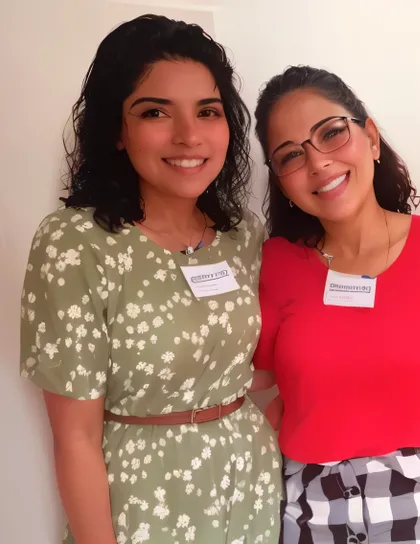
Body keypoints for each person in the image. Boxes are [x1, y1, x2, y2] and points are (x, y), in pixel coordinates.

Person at [19, 15, 281, 544]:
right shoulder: (75, 243)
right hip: (142, 501)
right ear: (117, 131)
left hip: (251, 485)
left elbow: (249, 367)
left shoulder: (243, 235)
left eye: (207, 111)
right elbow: (75, 437)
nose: (188, 135)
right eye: (155, 112)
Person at [251, 65, 420, 543]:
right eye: (291, 156)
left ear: (372, 139)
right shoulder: (276, 262)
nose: (317, 162)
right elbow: (257, 379)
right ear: (280, 181)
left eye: (332, 133)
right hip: (312, 505)